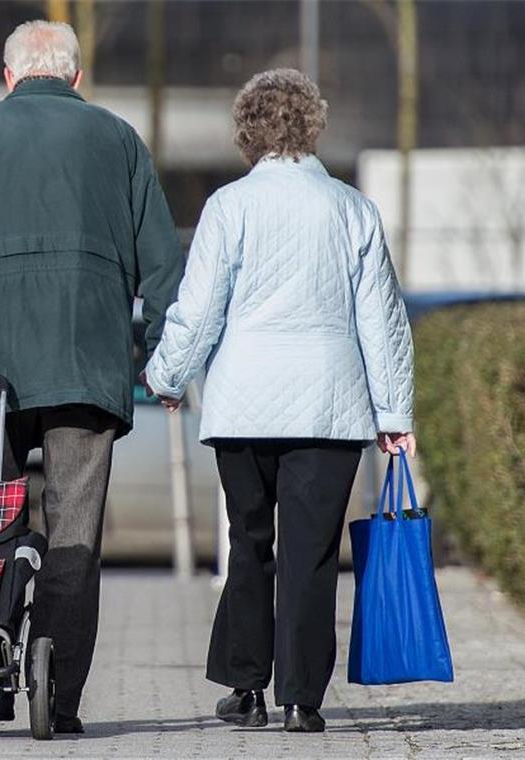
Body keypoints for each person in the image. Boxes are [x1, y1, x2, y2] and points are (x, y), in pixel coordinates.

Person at [0, 20, 183, 733]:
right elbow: (163, 265)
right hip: (88, 370)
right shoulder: (119, 140)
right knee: (74, 536)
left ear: (8, 76)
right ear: (74, 79)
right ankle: (58, 697)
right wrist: (159, 357)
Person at [144, 68, 417, 733]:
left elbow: (200, 306)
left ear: (247, 130)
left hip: (244, 402)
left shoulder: (230, 206)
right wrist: (393, 413)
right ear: (312, 125)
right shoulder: (352, 208)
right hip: (330, 403)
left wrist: (168, 376)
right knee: (312, 553)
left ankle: (247, 689)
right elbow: (381, 320)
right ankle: (301, 699)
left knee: (250, 543)